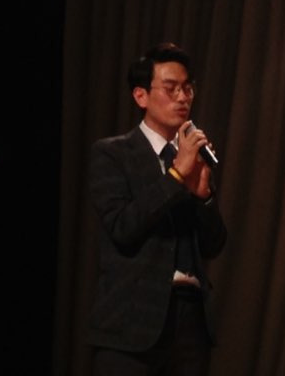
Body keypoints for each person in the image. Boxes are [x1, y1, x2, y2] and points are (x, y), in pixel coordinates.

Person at [89, 43, 227, 376]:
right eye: (170, 88)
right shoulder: (113, 153)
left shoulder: (192, 157)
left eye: (187, 88)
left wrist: (204, 196)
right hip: (132, 322)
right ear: (141, 96)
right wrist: (176, 175)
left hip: (190, 322)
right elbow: (123, 227)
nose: (182, 97)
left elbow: (213, 245)